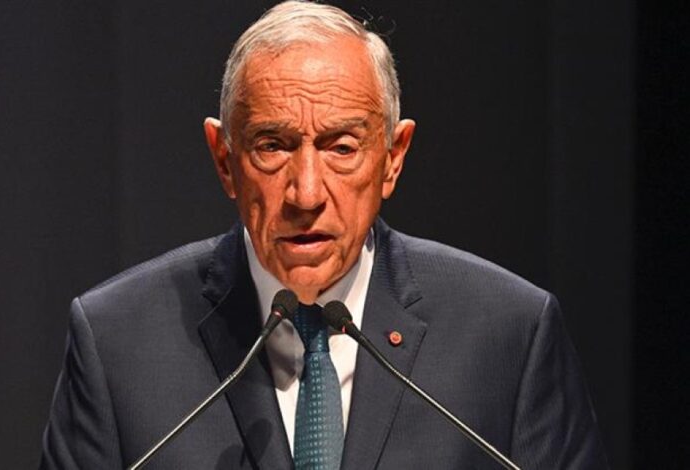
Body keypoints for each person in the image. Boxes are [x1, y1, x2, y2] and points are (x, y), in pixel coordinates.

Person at [40, 1, 608, 469]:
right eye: (272, 146)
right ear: (224, 160)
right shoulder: (118, 343)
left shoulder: (509, 335)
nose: (306, 193)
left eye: (341, 147)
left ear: (392, 158)